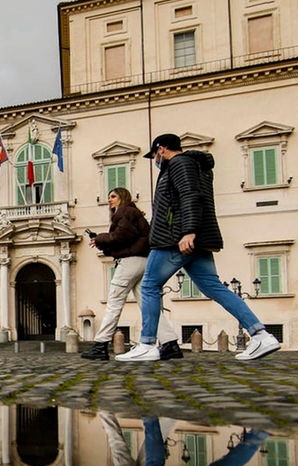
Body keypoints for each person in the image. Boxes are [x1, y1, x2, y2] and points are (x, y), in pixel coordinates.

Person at [117, 133, 281, 362]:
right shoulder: (194, 166)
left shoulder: (179, 164)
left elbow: (190, 197)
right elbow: (192, 198)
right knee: (214, 288)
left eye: (154, 154)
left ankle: (146, 344)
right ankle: (260, 335)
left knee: (149, 286)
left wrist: (188, 232)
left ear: (161, 149)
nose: (155, 159)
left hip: (175, 239)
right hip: (194, 238)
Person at [81, 188, 182, 360]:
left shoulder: (125, 211)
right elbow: (126, 238)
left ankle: (100, 344)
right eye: (108, 197)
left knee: (114, 300)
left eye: (113, 196)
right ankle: (170, 342)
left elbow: (122, 236)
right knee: (147, 304)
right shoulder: (132, 213)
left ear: (122, 197)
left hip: (131, 262)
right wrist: (103, 243)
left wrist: (101, 239)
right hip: (143, 260)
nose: (110, 200)